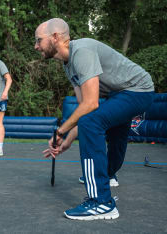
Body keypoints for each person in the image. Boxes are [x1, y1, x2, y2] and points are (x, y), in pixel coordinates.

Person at [36, 18, 154, 220]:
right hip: (120, 94)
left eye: (39, 40)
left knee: (92, 123)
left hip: (138, 90)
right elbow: (86, 110)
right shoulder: (68, 64)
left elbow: (91, 104)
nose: (36, 46)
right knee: (102, 127)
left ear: (55, 38)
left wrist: (61, 131)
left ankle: (101, 202)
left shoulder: (81, 51)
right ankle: (107, 175)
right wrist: (67, 140)